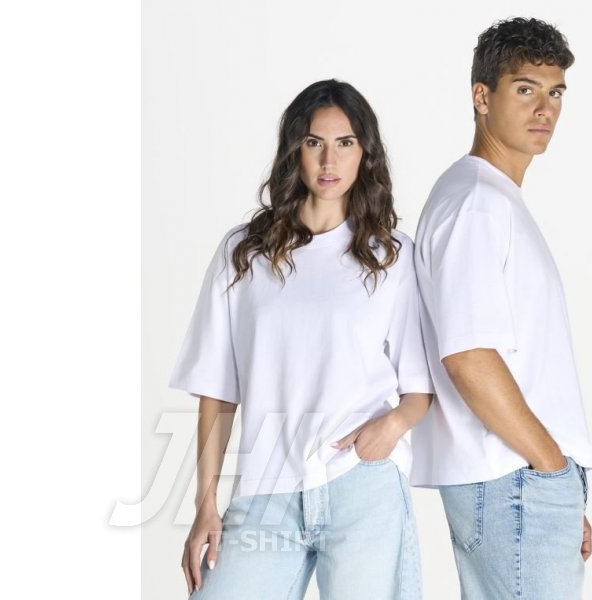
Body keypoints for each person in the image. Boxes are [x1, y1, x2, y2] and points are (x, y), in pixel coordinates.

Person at [169, 79, 433, 599]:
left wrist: (392, 426)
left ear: (365, 153)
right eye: (315, 142)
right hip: (265, 493)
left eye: (345, 143)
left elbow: (419, 388)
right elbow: (217, 388)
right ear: (295, 150)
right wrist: (205, 504)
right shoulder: (244, 253)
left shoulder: (391, 257)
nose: (329, 161)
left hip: (362, 488)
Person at [411, 17, 592, 599]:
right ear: (482, 96)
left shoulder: (491, 199)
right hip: (513, 476)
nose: (545, 109)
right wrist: (550, 466)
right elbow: (468, 354)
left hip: (520, 478)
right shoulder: (476, 204)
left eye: (555, 92)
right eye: (525, 89)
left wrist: (561, 487)